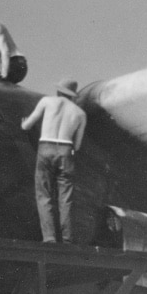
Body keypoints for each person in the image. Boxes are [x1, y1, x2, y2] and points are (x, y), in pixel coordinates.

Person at [20, 78, 86, 243]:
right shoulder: (80, 113)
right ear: (72, 96)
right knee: (66, 198)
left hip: (46, 148)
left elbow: (27, 126)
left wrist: (23, 123)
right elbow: (77, 145)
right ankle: (67, 239)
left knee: (44, 194)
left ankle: (49, 237)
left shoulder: (47, 101)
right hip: (66, 150)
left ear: (58, 91)